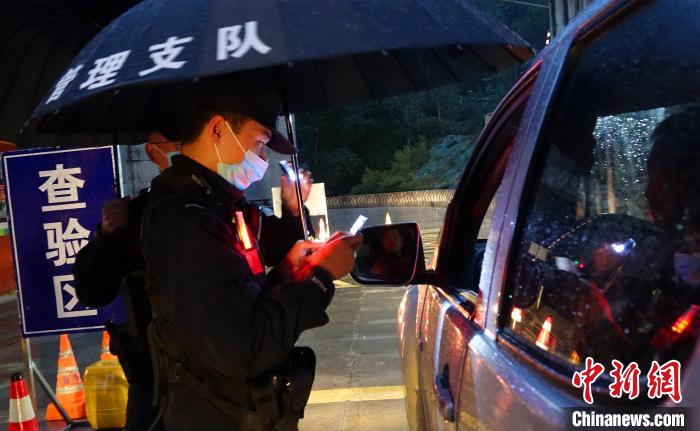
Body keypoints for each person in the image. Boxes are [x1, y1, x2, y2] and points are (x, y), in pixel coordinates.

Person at [141, 92, 362, 430]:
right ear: (218, 129)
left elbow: (238, 303)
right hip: (214, 417)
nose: (262, 158)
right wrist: (320, 277)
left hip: (238, 410)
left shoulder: (216, 203)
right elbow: (245, 348)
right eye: (259, 143)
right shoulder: (186, 220)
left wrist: (285, 274)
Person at [73, 126, 316, 430]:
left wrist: (294, 212)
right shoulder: (142, 216)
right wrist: (107, 236)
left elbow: (274, 249)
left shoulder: (227, 207)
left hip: (225, 385)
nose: (183, 144)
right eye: (174, 139)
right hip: (158, 385)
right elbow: (91, 289)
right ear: (153, 152)